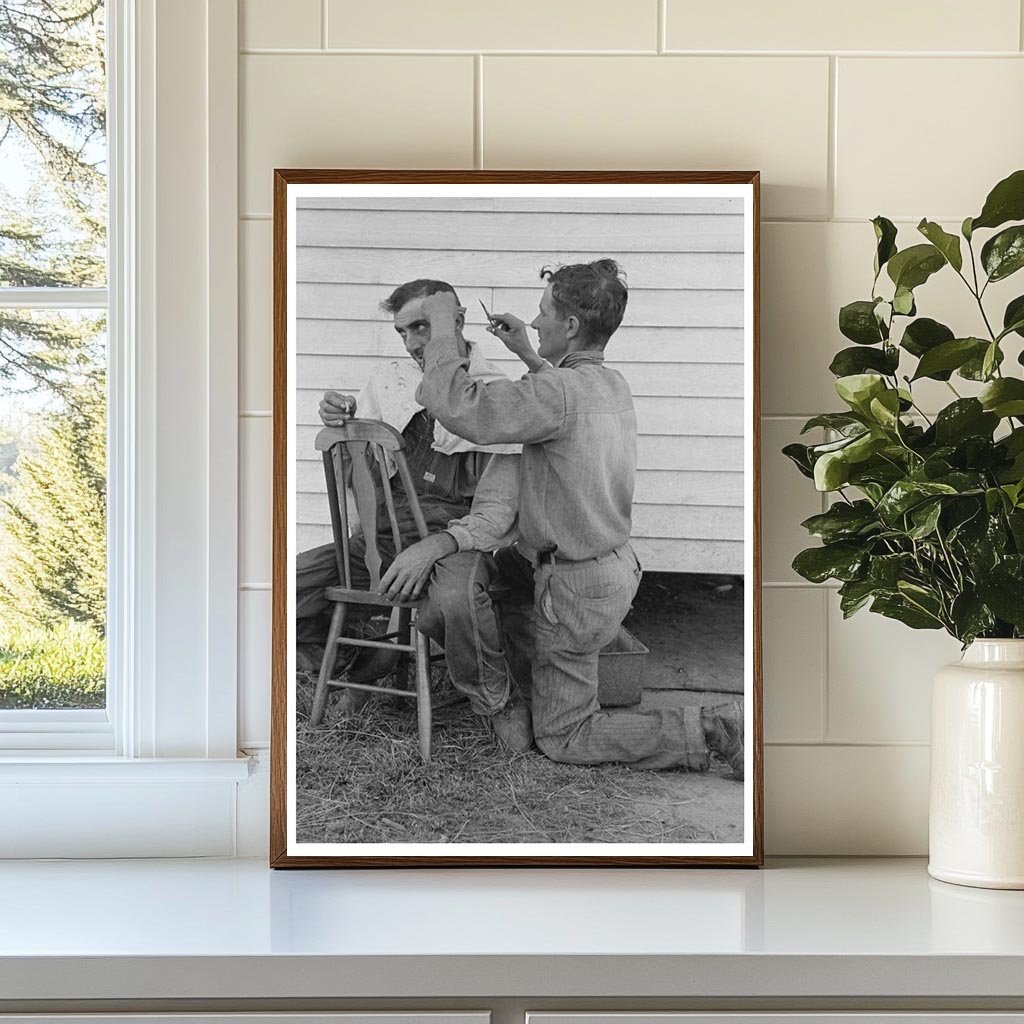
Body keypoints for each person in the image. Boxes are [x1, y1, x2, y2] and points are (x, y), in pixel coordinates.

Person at [401, 259, 744, 778]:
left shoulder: (556, 395)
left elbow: (462, 408)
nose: (533, 324)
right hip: (605, 568)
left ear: (571, 327)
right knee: (475, 589)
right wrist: (527, 353)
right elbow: (564, 401)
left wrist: (445, 327)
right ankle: (523, 672)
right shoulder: (608, 384)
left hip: (573, 587)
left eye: (542, 315)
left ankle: (707, 729)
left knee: (565, 736)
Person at [295, 278, 521, 734]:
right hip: (387, 536)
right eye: (403, 332)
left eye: (423, 328)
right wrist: (344, 421)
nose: (414, 344)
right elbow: (361, 478)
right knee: (282, 589)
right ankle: (363, 659)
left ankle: (494, 700)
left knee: (456, 601)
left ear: (457, 321)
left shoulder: (497, 392)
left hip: (457, 541)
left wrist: (434, 546)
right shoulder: (391, 383)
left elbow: (497, 515)